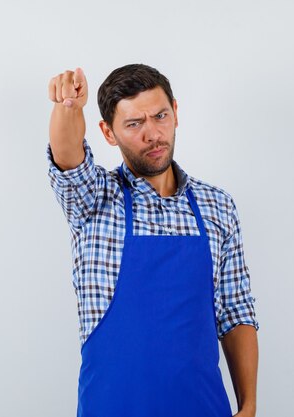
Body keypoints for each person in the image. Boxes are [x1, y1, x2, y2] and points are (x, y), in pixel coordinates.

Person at [46, 64, 259, 417]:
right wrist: (68, 107)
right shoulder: (94, 199)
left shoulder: (217, 205)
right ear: (108, 133)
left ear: (175, 112)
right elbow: (68, 158)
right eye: (134, 124)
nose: (153, 133)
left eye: (160, 116)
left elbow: (235, 312)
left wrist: (248, 406)